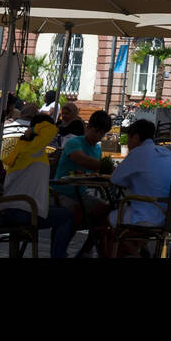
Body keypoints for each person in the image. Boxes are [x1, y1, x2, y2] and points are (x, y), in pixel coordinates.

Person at [0, 113, 75, 258]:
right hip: (24, 211)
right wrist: (35, 129)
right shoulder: (33, 149)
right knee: (66, 216)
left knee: (60, 212)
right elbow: (50, 130)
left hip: (7, 210)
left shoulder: (22, 146)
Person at [106, 119, 171, 254]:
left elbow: (115, 178)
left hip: (148, 214)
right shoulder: (166, 152)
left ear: (136, 137)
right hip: (169, 214)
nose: (127, 143)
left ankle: (135, 253)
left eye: (129, 138)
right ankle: (139, 247)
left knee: (109, 220)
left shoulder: (138, 152)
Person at [52, 109, 114, 256]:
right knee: (76, 211)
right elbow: (80, 159)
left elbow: (95, 172)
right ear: (88, 127)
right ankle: (59, 252)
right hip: (61, 192)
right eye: (97, 131)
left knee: (107, 211)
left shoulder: (97, 149)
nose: (99, 136)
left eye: (102, 133)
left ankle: (85, 251)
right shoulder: (74, 142)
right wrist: (105, 166)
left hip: (82, 192)